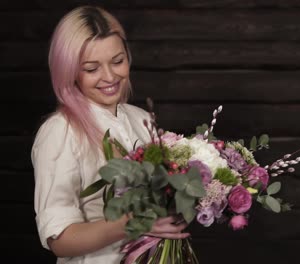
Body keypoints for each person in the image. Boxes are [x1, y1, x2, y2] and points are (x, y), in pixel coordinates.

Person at [31, 6, 189, 264]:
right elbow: (58, 240)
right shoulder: (60, 131)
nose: (109, 76)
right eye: (91, 68)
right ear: (69, 71)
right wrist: (130, 224)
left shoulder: (141, 119)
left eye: (117, 61)